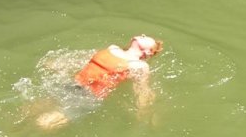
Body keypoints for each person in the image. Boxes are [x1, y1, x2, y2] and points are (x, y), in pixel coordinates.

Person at [35, 34, 163, 130]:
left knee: (43, 123)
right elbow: (86, 60)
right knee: (30, 110)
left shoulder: (139, 66)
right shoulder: (113, 48)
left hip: (88, 97)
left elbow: (142, 90)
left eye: (147, 38)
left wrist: (143, 111)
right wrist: (58, 65)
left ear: (148, 52)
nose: (143, 35)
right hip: (73, 84)